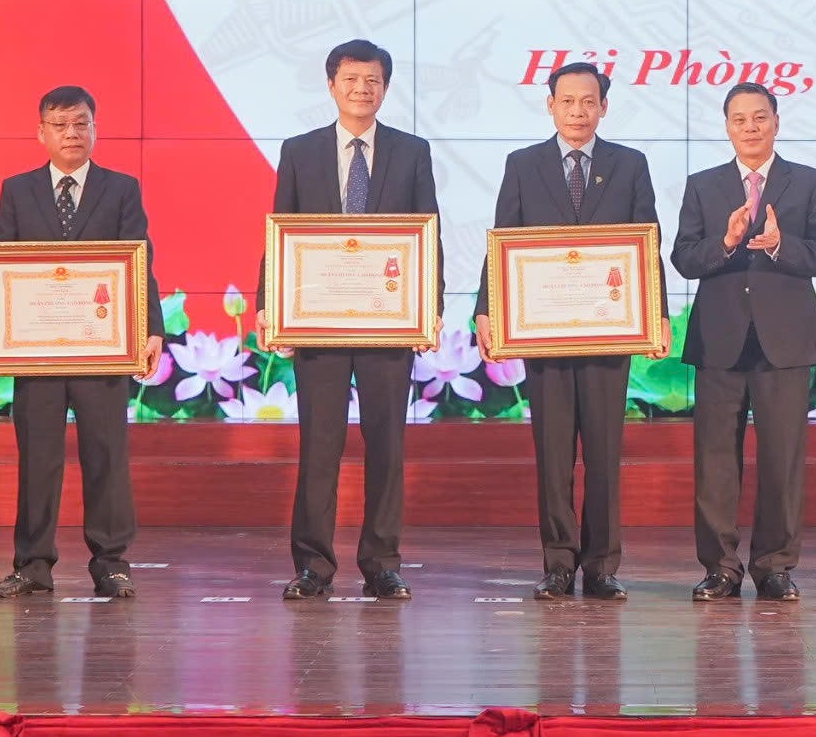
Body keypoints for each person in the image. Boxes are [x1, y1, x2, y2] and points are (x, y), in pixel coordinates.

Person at [473, 61, 659, 603]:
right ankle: (557, 564)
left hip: (609, 334)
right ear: (550, 105)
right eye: (568, 101)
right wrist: (486, 309)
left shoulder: (630, 165)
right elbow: (502, 240)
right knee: (553, 454)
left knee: (603, 454)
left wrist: (658, 314)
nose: (578, 111)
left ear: (604, 107)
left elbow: (647, 242)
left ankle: (601, 566)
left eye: (588, 101)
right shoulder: (523, 164)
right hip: (544, 333)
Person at [0, 87, 166, 602]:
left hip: (103, 349)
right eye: (59, 125)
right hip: (36, 352)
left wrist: (152, 329)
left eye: (81, 123)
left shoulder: (121, 189)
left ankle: (112, 565)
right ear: (41, 133)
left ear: (95, 129)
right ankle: (33, 565)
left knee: (106, 457)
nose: (71, 134)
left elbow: (141, 260)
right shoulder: (18, 190)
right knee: (38, 460)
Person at [269, 39, 440, 603]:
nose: (361, 89)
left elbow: (429, 233)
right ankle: (313, 565)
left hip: (388, 323)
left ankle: (382, 563)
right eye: (350, 79)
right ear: (331, 85)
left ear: (385, 88)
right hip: (317, 323)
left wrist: (430, 308)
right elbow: (280, 231)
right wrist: (273, 304)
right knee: (320, 446)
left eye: (372, 80)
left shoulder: (412, 152)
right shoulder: (299, 151)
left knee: (386, 445)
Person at [672, 83, 816, 603]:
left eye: (760, 117)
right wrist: (726, 242)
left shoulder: (809, 182)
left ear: (776, 122)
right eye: (740, 119)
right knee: (715, 461)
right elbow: (683, 257)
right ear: (727, 126)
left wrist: (781, 244)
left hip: (784, 341)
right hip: (719, 340)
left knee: (782, 460)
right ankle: (720, 568)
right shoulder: (703, 185)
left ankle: (775, 568)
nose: (750, 127)